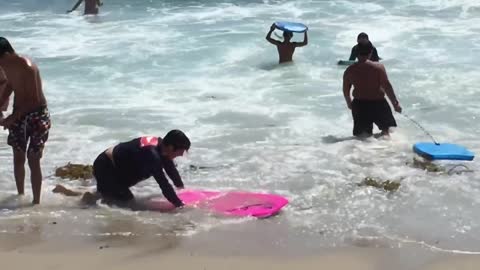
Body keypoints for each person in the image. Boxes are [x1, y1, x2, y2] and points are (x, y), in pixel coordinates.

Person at [53, 130, 191, 209]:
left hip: (115, 167)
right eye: (181, 151)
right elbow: (163, 183)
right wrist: (180, 206)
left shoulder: (161, 147)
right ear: (171, 147)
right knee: (126, 202)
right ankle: (83, 201)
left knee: (110, 195)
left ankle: (69, 191)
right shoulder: (152, 154)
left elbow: (170, 170)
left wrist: (182, 188)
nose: (181, 155)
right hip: (106, 167)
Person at [0, 37, 51, 205]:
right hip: (19, 114)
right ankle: (20, 195)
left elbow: (34, 100)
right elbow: (10, 85)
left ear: (7, 54)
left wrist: (11, 119)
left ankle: (36, 202)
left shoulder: (27, 67)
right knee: (18, 157)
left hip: (37, 115)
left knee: (33, 158)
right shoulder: (7, 65)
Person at [343, 41, 402, 138]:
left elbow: (346, 90)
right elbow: (387, 86)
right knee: (386, 133)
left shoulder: (349, 70)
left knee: (363, 137)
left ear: (356, 53)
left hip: (359, 105)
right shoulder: (378, 68)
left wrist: (349, 103)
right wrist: (395, 104)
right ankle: (387, 151)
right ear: (370, 52)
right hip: (378, 104)